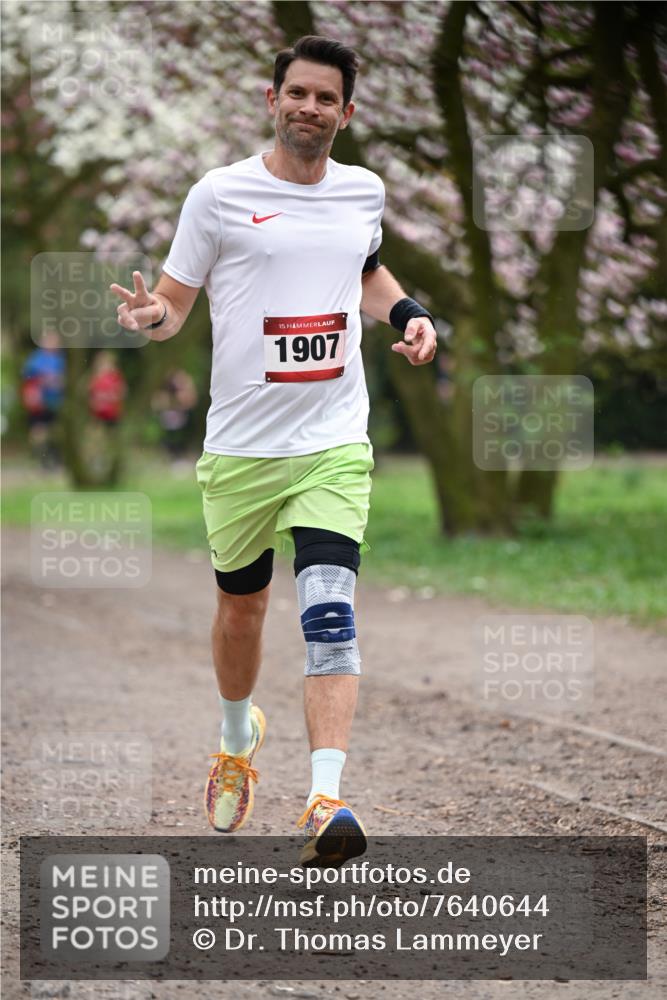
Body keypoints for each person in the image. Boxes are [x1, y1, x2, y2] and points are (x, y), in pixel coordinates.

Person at [110, 35, 437, 868]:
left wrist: (407, 316)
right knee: (243, 610)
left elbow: (364, 268)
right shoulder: (219, 195)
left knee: (328, 610)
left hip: (331, 438)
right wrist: (152, 317)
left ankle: (326, 799)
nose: (309, 108)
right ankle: (234, 734)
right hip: (243, 448)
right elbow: (178, 303)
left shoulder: (362, 190)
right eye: (297, 93)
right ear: (272, 98)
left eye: (326, 98)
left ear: (346, 113)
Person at [21, 330, 65, 469]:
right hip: (39, 403)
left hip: (56, 401)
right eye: (50, 341)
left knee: (56, 431)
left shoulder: (60, 359)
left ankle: (55, 459)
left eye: (56, 341)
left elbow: (64, 380)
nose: (54, 344)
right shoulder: (36, 359)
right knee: (39, 431)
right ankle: (40, 460)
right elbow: (27, 379)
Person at [88, 351, 126, 426]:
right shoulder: (95, 378)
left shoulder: (115, 377)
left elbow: (122, 391)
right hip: (98, 414)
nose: (105, 367)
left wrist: (112, 396)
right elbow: (89, 392)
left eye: (107, 364)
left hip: (112, 413)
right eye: (102, 365)